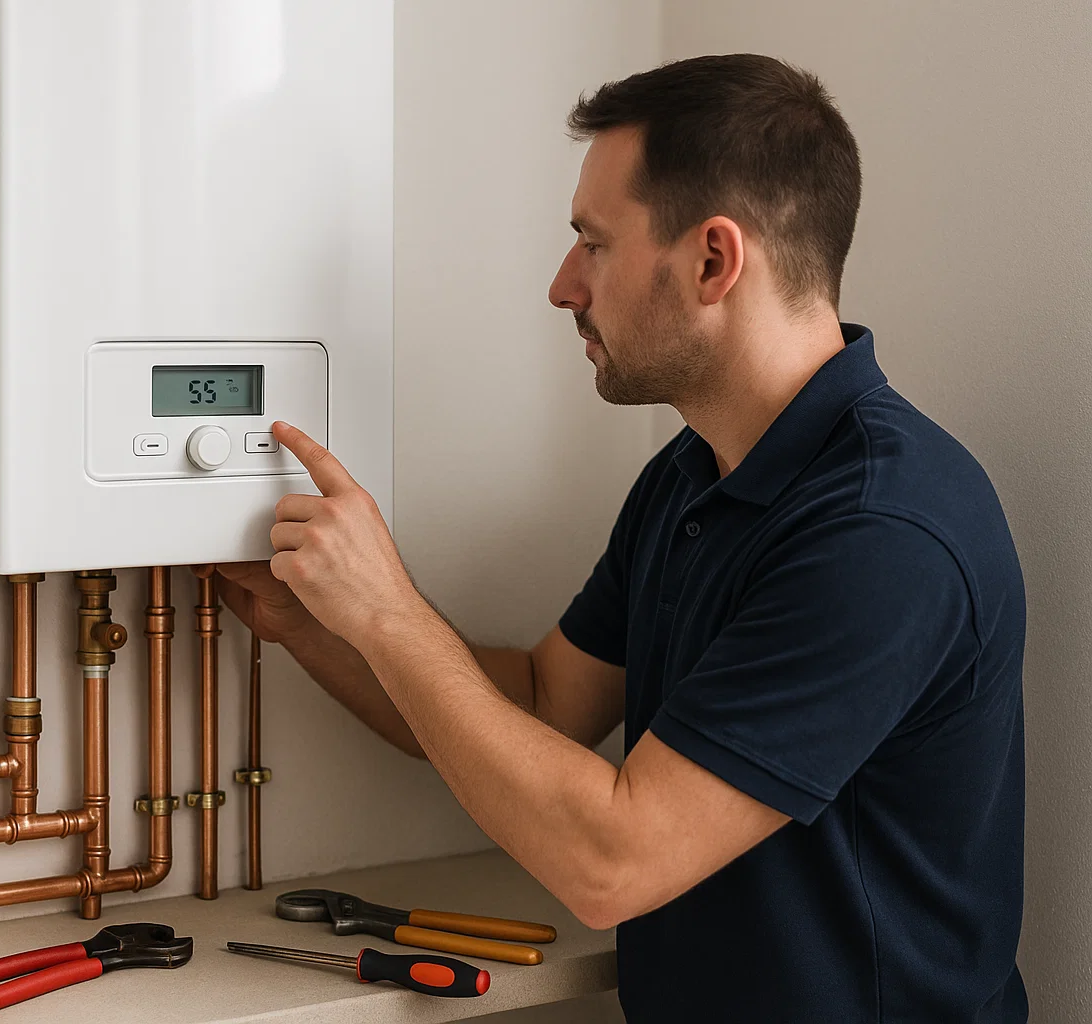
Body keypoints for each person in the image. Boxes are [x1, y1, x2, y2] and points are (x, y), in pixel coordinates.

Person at [212, 53, 1027, 1022]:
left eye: (592, 243)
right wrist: (315, 623)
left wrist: (389, 613)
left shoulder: (880, 532)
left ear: (713, 261)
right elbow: (539, 703)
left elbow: (612, 863)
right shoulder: (693, 474)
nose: (563, 287)